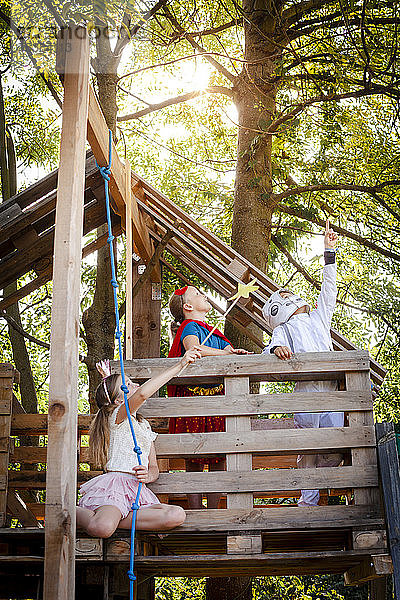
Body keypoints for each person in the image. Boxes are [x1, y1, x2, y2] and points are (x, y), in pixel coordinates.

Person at [76, 347, 201, 538]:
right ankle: (65, 509)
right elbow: (142, 395)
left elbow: (153, 467)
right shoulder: (117, 418)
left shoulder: (143, 426)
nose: (134, 385)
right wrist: (180, 364)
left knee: (176, 515)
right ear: (119, 401)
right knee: (101, 528)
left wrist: (149, 475)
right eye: (128, 385)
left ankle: (116, 519)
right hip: (115, 489)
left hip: (137, 492)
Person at [262, 220, 342, 506]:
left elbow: (329, 292)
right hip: (307, 391)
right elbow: (270, 347)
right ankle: (307, 501)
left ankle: (320, 482)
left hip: (332, 391)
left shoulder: (318, 319)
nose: (292, 295)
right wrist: (277, 349)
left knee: (337, 446)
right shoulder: (284, 327)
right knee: (309, 447)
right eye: (286, 295)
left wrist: (329, 254)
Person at [168, 284, 249, 510]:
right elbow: (195, 350)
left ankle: (213, 510)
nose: (204, 295)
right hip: (194, 401)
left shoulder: (213, 331)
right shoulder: (190, 326)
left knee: (219, 456)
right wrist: (224, 353)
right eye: (197, 294)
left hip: (216, 401)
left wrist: (233, 352)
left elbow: (227, 351)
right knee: (194, 455)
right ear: (188, 306)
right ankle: (195, 511)